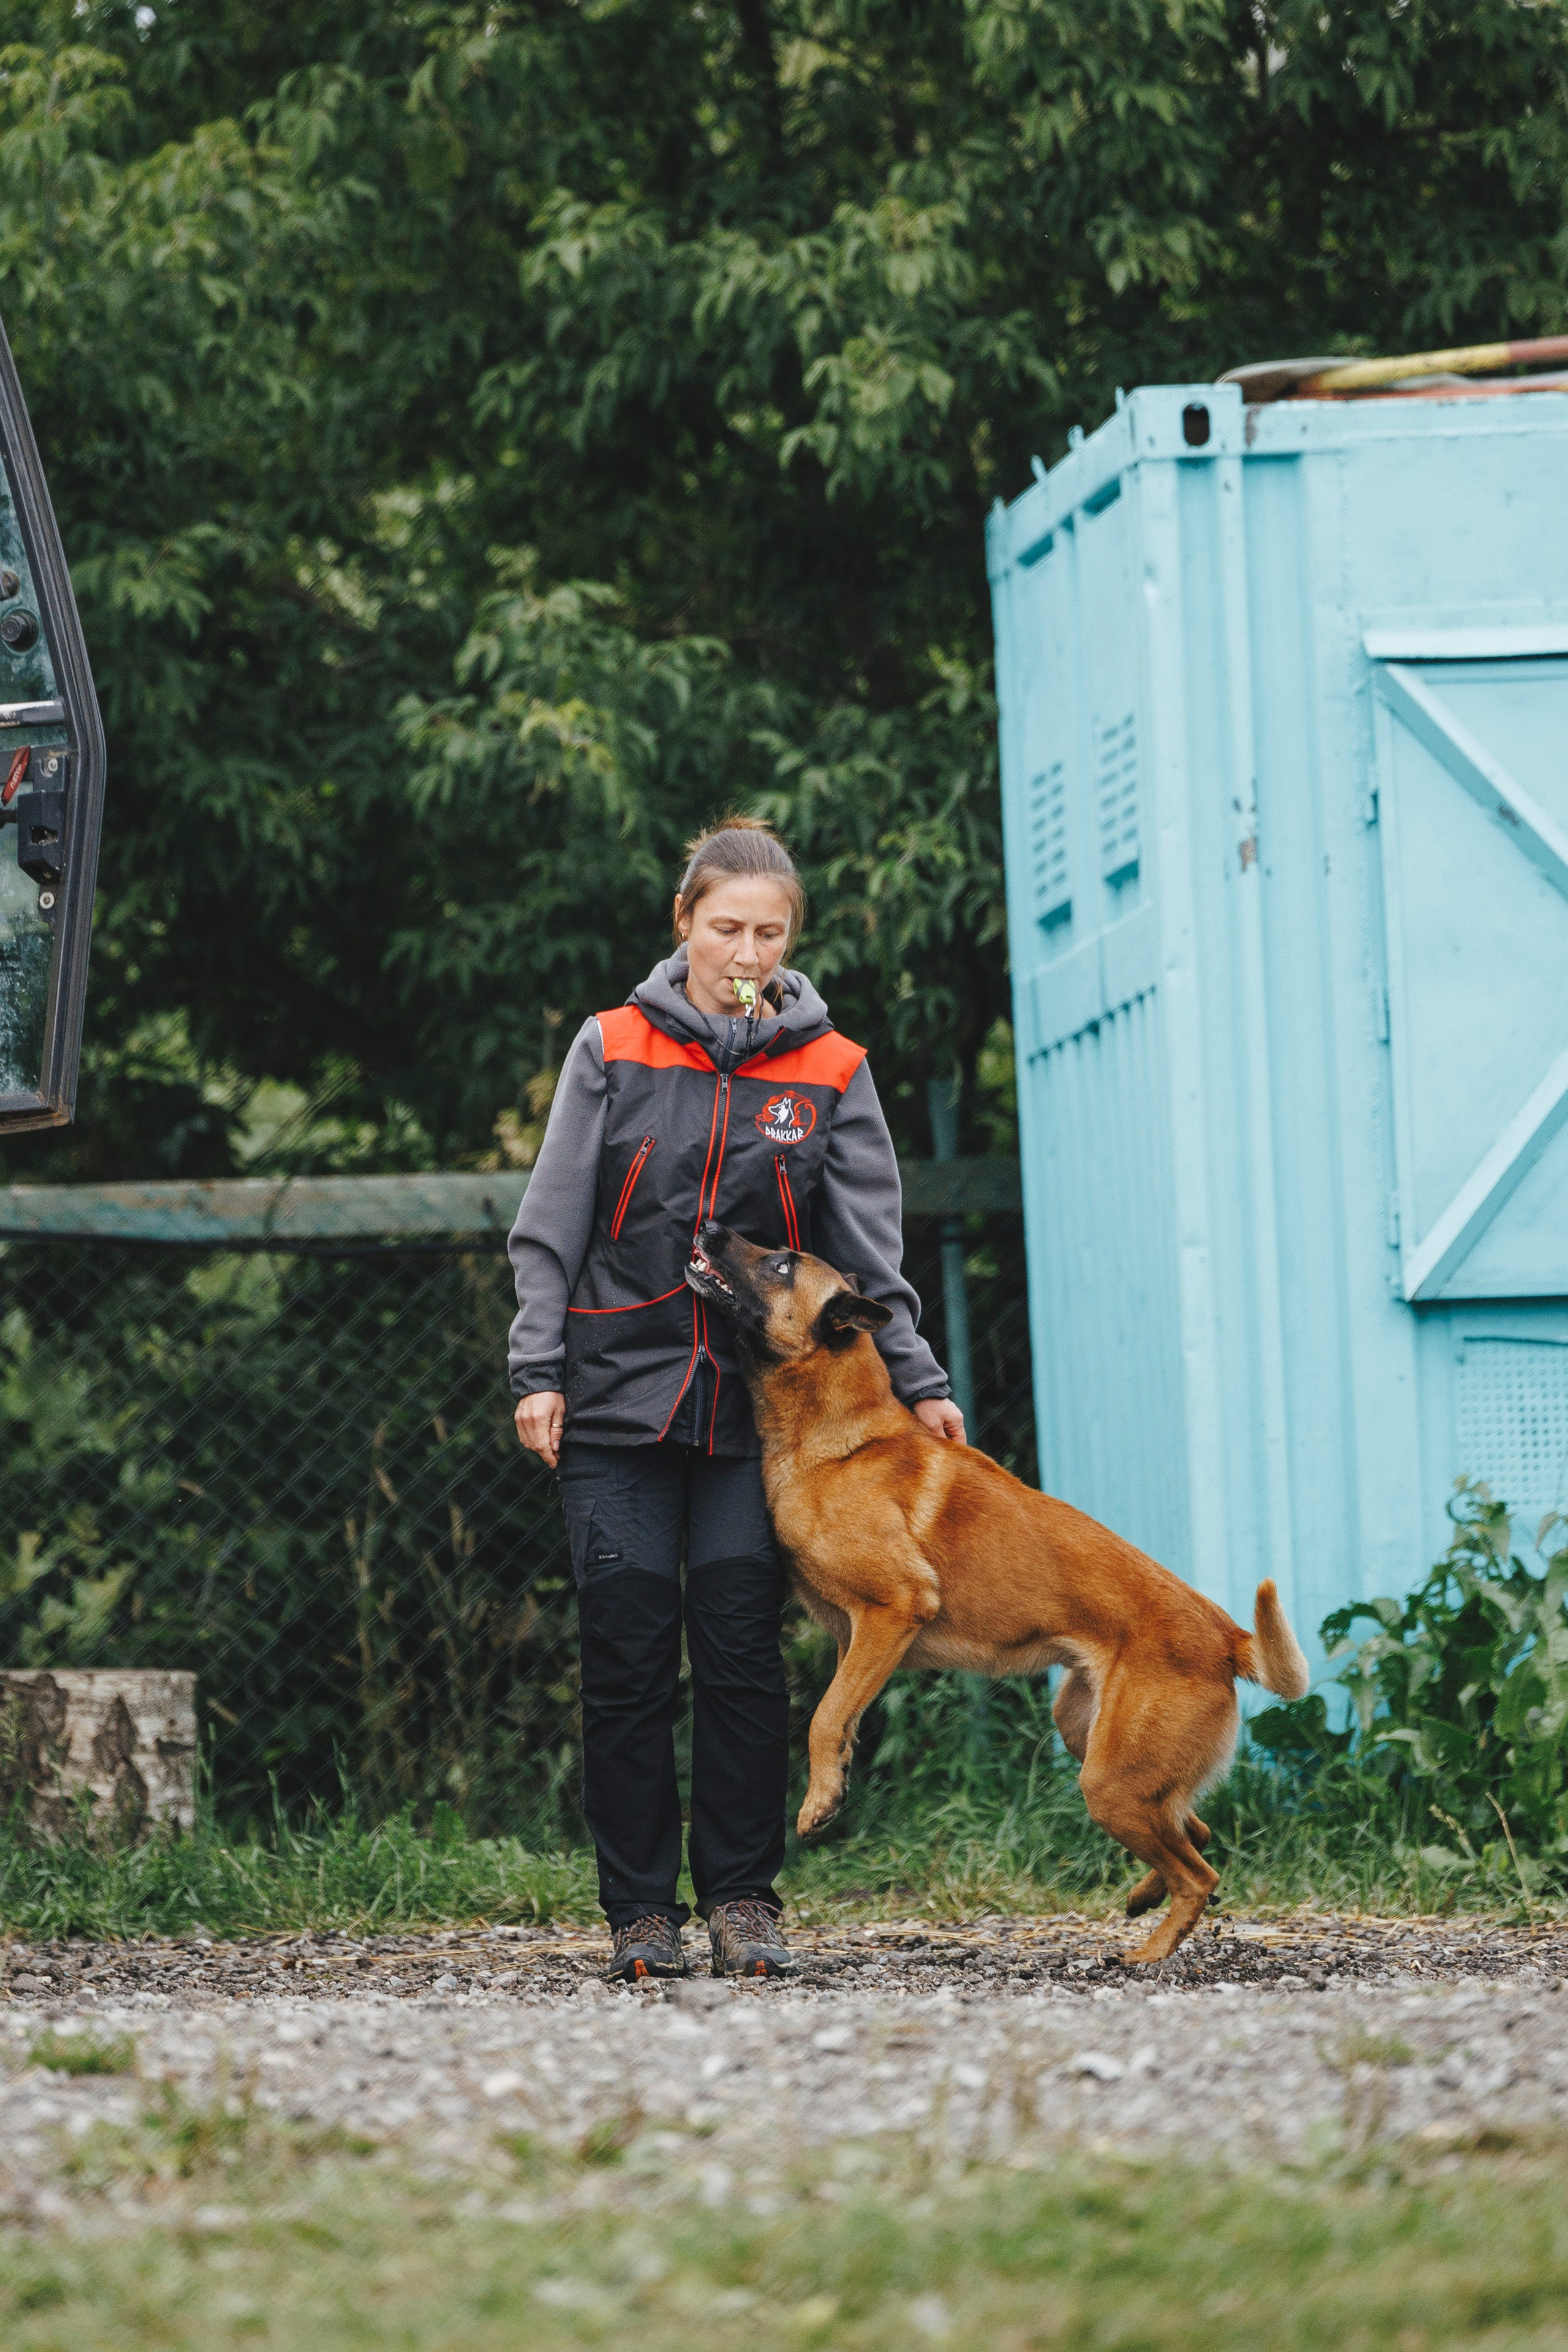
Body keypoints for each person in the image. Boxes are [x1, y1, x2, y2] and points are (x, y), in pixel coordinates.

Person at [508, 815, 962, 1981]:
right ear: (684, 926)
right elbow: (550, 1226)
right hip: (614, 1392)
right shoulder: (610, 1045)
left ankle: (745, 1901)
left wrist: (921, 1386)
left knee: (742, 1656)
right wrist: (536, 1368)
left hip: (766, 1422)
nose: (746, 953)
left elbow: (868, 1255)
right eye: (726, 930)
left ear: (791, 940)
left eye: (768, 933)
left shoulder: (831, 1070)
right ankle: (640, 1916)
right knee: (624, 1650)